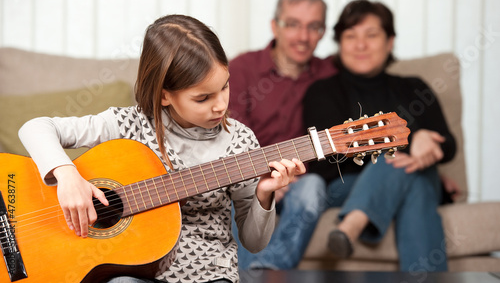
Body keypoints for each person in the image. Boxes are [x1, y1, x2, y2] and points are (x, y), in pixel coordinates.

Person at [18, 14, 306, 283]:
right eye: (203, 97)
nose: (221, 105)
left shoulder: (240, 142)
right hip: (135, 273)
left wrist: (264, 194)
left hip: (209, 273)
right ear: (165, 95)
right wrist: (67, 176)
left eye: (225, 87)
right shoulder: (126, 124)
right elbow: (35, 128)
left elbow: (254, 243)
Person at [303, 0, 456, 271]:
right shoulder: (322, 92)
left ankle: (352, 223)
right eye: (350, 36)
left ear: (390, 41)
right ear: (340, 44)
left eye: (371, 35)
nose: (361, 45)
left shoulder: (414, 87)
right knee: (408, 171)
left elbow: (449, 144)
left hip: (413, 176)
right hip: (344, 185)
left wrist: (424, 142)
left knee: (410, 171)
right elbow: (328, 157)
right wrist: (412, 140)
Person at [228, 0, 337, 270]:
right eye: (293, 25)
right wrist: (267, 177)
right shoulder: (242, 69)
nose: (303, 37)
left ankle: (265, 273)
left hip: (302, 181)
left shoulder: (331, 75)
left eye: (313, 27)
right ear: (275, 26)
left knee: (313, 187)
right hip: (250, 177)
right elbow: (231, 137)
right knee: (232, 191)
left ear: (323, 32)